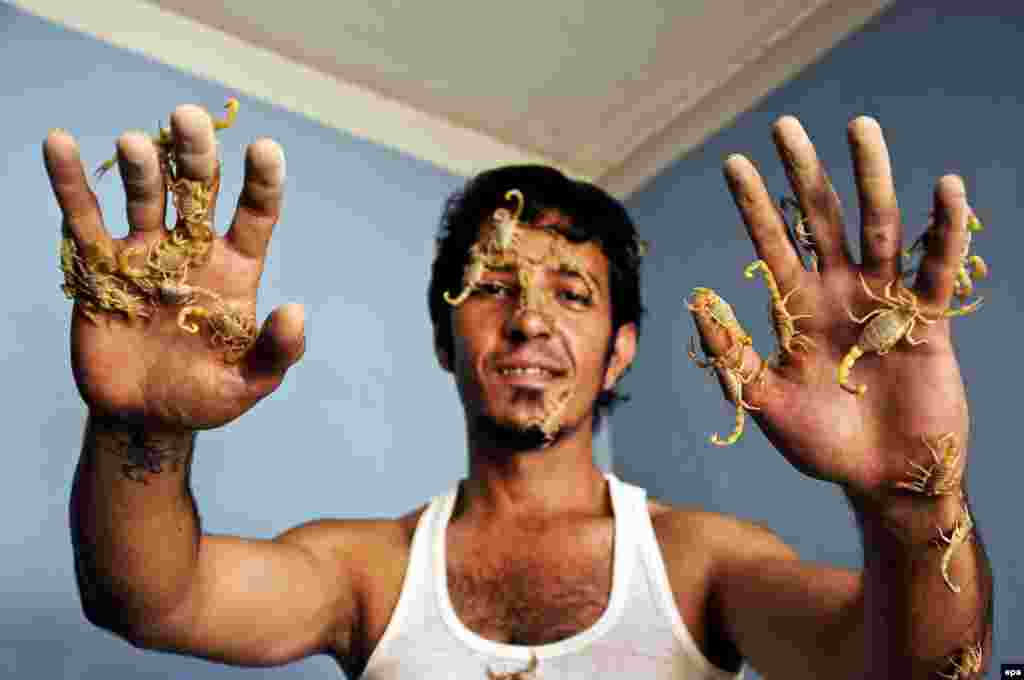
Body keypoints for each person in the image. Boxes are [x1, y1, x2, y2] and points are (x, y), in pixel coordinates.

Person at [46, 104, 992, 679]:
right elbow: (152, 601)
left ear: (620, 353)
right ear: (444, 341)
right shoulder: (364, 572)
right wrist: (139, 429)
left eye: (572, 294)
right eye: (493, 288)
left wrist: (917, 501)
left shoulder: (703, 561)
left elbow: (909, 671)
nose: (531, 320)